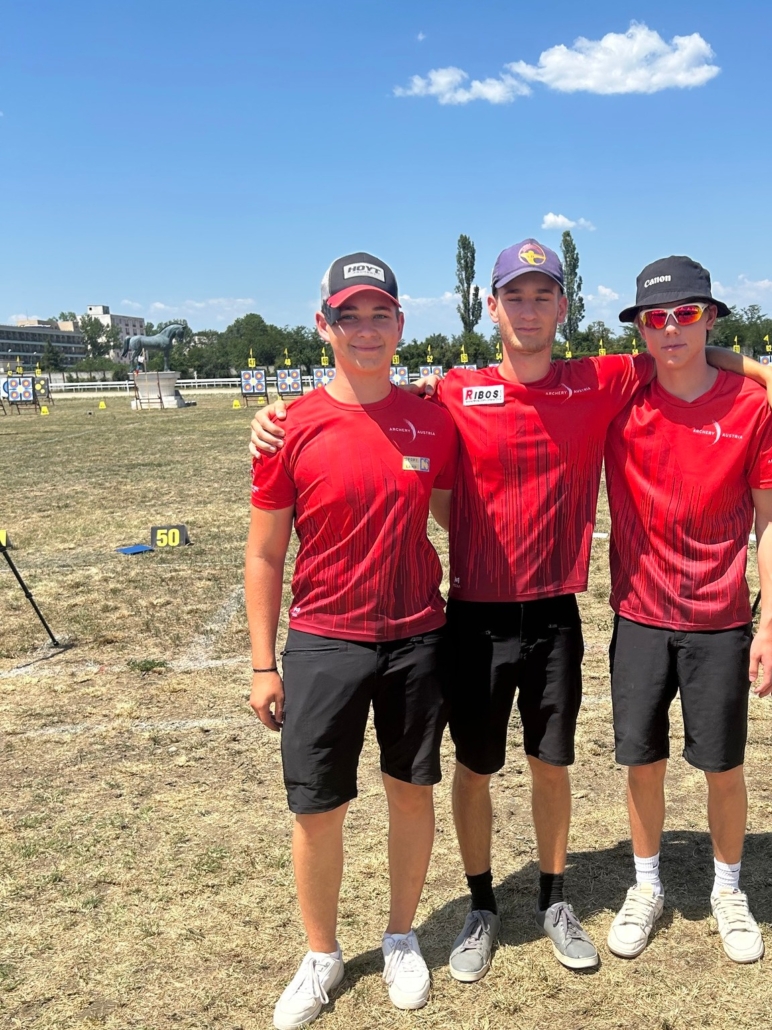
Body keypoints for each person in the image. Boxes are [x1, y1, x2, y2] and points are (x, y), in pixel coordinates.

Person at [250, 239, 772, 983]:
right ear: (492, 307)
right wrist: (278, 413)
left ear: (563, 307)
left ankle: (554, 899)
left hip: (554, 616)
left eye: (543, 296)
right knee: (474, 769)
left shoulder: (599, 380)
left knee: (552, 765)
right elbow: (373, 402)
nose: (529, 310)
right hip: (472, 618)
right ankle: (481, 906)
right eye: (515, 296)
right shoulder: (454, 391)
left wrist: (768, 373)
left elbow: (685, 349)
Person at [245, 253, 458, 1026]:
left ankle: (401, 936)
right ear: (323, 323)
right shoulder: (287, 427)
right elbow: (265, 554)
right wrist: (263, 663)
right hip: (324, 642)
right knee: (317, 809)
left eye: (379, 315)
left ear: (401, 324)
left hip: (416, 639)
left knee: (411, 793)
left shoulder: (433, 418)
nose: (365, 330)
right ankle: (321, 955)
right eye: (349, 315)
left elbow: (453, 515)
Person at [602, 256, 772, 965]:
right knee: (642, 763)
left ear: (710, 318)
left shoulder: (749, 408)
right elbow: (531, 379)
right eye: (656, 318)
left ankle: (728, 890)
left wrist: (768, 625)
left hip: (721, 620)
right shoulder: (620, 395)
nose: (671, 329)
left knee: (723, 766)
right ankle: (646, 884)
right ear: (640, 330)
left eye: (686, 313)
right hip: (640, 616)